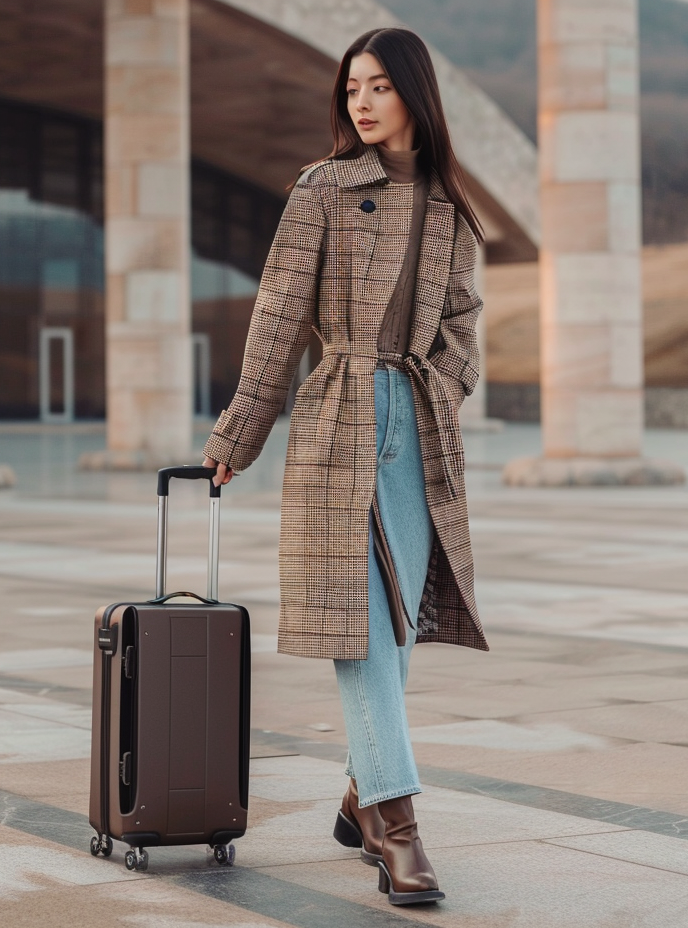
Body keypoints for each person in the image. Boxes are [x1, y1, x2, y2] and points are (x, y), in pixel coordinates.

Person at [202, 26, 489, 906]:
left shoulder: (450, 207)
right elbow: (278, 320)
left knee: (395, 630)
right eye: (352, 87)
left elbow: (464, 326)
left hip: (419, 425)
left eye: (378, 86)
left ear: (413, 94)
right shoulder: (322, 191)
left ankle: (360, 797)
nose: (361, 102)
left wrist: (439, 382)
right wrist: (237, 434)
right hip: (338, 417)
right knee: (363, 630)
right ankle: (397, 831)